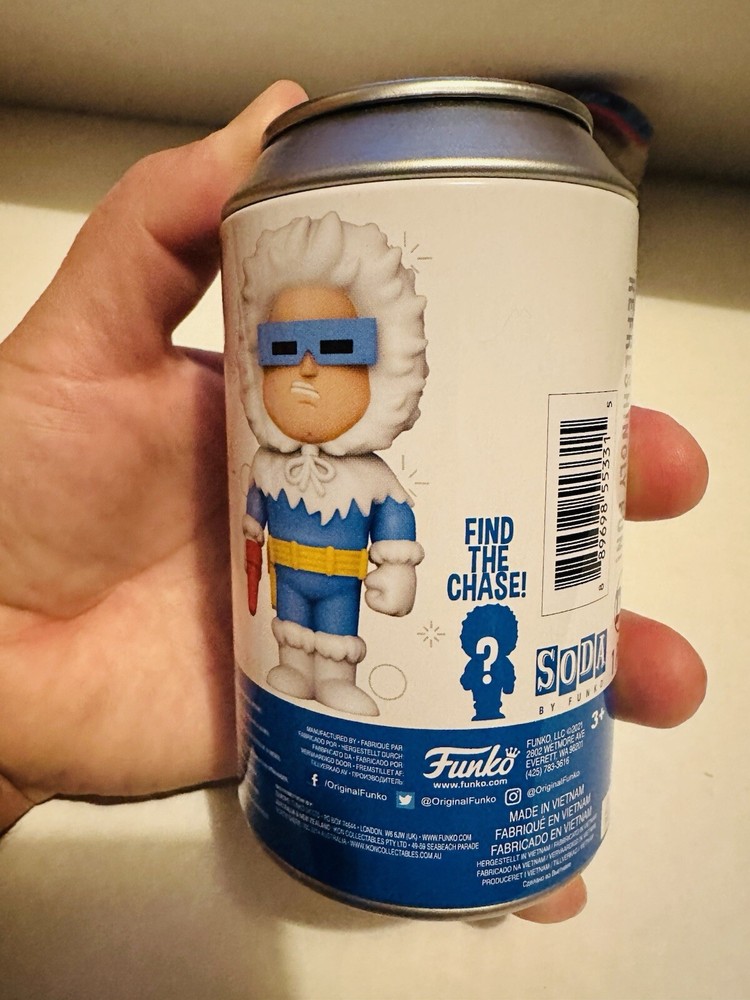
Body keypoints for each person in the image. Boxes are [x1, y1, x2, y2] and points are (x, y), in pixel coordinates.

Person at [0, 81, 708, 924]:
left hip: (350, 589)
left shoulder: (373, 478)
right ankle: (304, 678)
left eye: (337, 350)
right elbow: (253, 512)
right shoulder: (268, 465)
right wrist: (249, 541)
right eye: (282, 351)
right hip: (284, 598)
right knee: (293, 638)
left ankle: (332, 678)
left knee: (336, 634)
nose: (305, 374)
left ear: (386, 369)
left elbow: (395, 526)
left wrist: (396, 572)